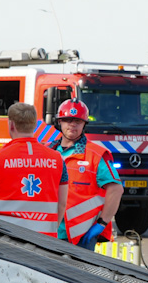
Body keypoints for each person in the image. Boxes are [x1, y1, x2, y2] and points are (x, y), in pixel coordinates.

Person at [0, 102, 65, 236]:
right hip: (45, 240)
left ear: (11, 124)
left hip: (6, 238)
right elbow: (62, 204)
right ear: (35, 125)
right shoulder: (58, 159)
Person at [52, 100, 123, 246]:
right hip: (48, 230)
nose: (72, 124)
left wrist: (102, 223)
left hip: (80, 235)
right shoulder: (48, 152)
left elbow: (116, 189)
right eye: (67, 120)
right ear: (59, 122)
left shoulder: (96, 154)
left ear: (84, 124)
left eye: (78, 121)